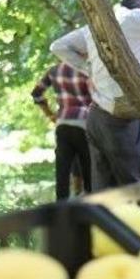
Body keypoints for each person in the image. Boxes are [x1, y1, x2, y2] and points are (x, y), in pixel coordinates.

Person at [50, 0, 140, 190]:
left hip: (96, 115)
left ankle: (105, 222)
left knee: (104, 188)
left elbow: (58, 47)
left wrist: (89, 69)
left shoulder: (98, 24)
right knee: (133, 187)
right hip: (120, 118)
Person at [31, 62, 93, 200]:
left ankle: (61, 210)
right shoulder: (88, 68)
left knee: (62, 171)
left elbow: (36, 93)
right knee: (88, 170)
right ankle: (90, 207)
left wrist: (50, 114)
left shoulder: (54, 70)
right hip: (85, 124)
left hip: (63, 123)